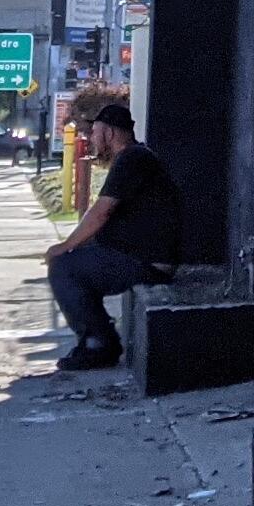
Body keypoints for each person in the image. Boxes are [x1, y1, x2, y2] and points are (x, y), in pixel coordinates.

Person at [42, 95, 182, 372]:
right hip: (137, 257)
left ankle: (97, 343)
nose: (93, 139)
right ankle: (99, 337)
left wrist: (66, 245)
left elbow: (101, 211)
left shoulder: (132, 159)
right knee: (76, 262)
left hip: (147, 264)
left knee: (63, 267)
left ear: (109, 132)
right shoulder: (135, 158)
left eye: (95, 133)